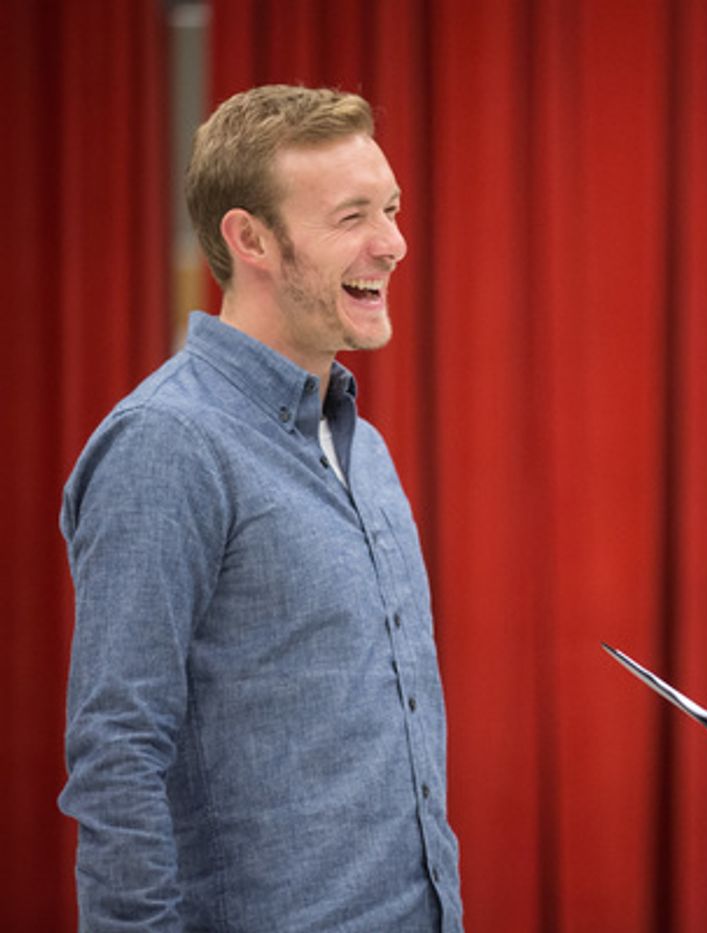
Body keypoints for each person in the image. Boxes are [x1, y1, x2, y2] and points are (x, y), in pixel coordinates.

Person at [59, 85, 462, 932]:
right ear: (250, 239)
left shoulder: (366, 446)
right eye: (352, 216)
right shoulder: (166, 443)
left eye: (390, 208)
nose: (392, 243)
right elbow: (116, 758)